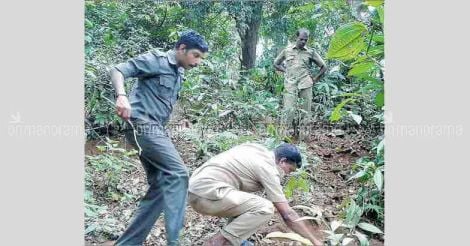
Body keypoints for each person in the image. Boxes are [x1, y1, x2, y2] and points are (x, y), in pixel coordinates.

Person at [107, 30, 208, 246]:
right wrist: (122, 96)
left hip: (156, 129)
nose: (198, 62)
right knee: (179, 173)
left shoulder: (179, 73)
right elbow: (118, 70)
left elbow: (161, 104)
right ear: (182, 48)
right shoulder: (156, 60)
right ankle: (175, 242)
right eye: (196, 55)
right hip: (142, 125)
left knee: (161, 187)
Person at [188, 143, 324, 246]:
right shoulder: (268, 168)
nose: (287, 174)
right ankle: (217, 242)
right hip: (208, 192)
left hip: (196, 190)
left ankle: (238, 243)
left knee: (250, 205)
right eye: (289, 170)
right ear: (282, 161)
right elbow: (287, 215)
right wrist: (315, 242)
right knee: (264, 208)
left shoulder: (256, 150)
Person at [274, 28, 327, 134]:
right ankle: (284, 135)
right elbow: (276, 64)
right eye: (301, 39)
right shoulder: (287, 50)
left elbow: (323, 66)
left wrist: (315, 79)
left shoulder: (311, 52)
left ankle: (303, 136)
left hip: (306, 83)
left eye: (305, 40)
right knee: (289, 109)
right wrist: (286, 71)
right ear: (296, 38)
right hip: (290, 84)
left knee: (305, 111)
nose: (303, 42)